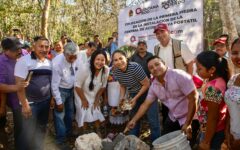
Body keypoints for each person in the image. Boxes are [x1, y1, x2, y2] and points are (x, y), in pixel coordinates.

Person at [126, 56, 197, 139]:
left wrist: (188, 123)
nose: (155, 68)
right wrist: (133, 120)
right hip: (173, 117)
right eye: (151, 68)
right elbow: (145, 105)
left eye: (157, 64)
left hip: (190, 116)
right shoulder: (154, 86)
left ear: (164, 64)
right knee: (164, 142)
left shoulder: (179, 75)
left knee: (187, 144)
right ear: (150, 72)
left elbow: (194, 98)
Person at [14, 36, 52, 150]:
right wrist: (25, 105)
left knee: (41, 128)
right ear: (33, 47)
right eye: (41, 46)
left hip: (45, 102)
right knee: (27, 133)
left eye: (46, 47)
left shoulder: (49, 62)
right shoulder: (24, 61)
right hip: (30, 104)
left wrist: (51, 99)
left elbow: (49, 81)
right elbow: (19, 86)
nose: (44, 49)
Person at [112, 50, 151, 138]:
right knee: (133, 119)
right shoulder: (116, 71)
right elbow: (122, 85)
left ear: (126, 58)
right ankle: (133, 141)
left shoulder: (134, 67)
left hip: (148, 93)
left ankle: (156, 144)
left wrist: (136, 98)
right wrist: (122, 99)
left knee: (152, 120)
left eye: (121, 58)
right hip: (133, 94)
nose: (119, 62)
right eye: (116, 60)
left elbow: (147, 84)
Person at [196, 51, 230, 150]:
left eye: (199, 69)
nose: (197, 71)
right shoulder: (215, 81)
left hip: (213, 133)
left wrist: (206, 142)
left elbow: (213, 117)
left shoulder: (213, 88)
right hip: (211, 130)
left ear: (212, 69)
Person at [0, 37, 29, 150]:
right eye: (14, 50)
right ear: (5, 50)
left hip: (28, 96)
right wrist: (16, 87)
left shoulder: (24, 53)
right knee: (20, 125)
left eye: (19, 49)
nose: (18, 52)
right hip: (14, 99)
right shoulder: (1, 62)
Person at [130, 40, 160, 141]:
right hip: (136, 91)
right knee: (134, 116)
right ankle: (133, 141)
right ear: (137, 47)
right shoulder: (133, 57)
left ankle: (156, 142)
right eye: (139, 45)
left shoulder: (151, 56)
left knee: (153, 118)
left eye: (143, 45)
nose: (141, 47)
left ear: (146, 47)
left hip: (150, 90)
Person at [74, 50, 109, 136]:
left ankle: (98, 130)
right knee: (84, 111)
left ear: (105, 61)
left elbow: (103, 86)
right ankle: (84, 132)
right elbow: (77, 86)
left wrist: (97, 99)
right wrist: (83, 100)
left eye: (102, 60)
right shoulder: (85, 68)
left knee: (96, 109)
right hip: (81, 93)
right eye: (98, 59)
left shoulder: (106, 70)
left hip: (95, 93)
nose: (100, 62)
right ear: (93, 59)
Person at [51, 42, 79, 149]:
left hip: (71, 89)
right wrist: (58, 101)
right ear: (64, 54)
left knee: (69, 114)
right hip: (60, 90)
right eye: (70, 57)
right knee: (59, 116)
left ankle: (68, 133)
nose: (73, 59)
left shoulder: (76, 57)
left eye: (75, 57)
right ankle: (61, 140)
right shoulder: (57, 63)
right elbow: (54, 84)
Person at [222, 38, 240, 149]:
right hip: (233, 138)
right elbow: (230, 108)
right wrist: (227, 131)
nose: (238, 56)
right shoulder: (233, 80)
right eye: (234, 53)